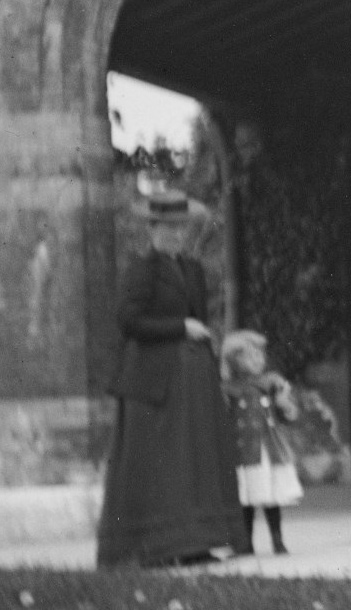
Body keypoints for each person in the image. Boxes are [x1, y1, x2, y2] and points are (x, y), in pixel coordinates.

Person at [96, 191, 244, 569]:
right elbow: (129, 322)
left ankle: (195, 543)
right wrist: (180, 326)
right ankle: (157, 548)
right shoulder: (141, 270)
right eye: (167, 228)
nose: (175, 235)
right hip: (151, 384)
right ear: (152, 229)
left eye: (180, 228)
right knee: (159, 466)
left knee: (192, 461)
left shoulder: (192, 270)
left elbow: (199, 321)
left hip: (189, 384)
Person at [221, 329, 302, 556]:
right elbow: (224, 418)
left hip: (268, 449)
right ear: (234, 361)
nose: (258, 360)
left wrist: (285, 404)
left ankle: (278, 540)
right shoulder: (230, 388)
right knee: (246, 497)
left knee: (271, 495)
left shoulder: (272, 383)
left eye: (259, 355)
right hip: (244, 452)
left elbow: (288, 415)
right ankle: (246, 542)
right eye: (250, 356)